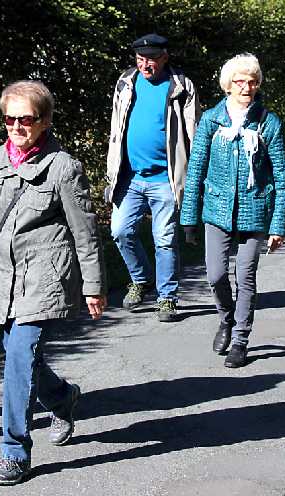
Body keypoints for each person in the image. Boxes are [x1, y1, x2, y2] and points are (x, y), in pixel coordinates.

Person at [0, 81, 106, 485]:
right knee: (20, 355)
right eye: (10, 119)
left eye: (27, 119)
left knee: (19, 358)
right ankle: (61, 396)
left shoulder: (63, 167)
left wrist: (93, 285)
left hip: (45, 278)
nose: (17, 127)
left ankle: (14, 452)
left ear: (45, 121)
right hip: (4, 278)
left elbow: (85, 232)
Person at [180, 53, 285, 369]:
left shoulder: (269, 123)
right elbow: (196, 169)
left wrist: (278, 225)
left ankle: (241, 339)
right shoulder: (211, 120)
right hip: (216, 211)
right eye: (240, 81)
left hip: (255, 212)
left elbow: (282, 177)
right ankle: (226, 318)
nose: (246, 87)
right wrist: (189, 217)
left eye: (252, 82)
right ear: (228, 85)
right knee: (215, 275)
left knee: (246, 275)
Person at [105, 34, 199, 322]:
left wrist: (195, 177)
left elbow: (193, 131)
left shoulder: (181, 86)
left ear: (165, 57)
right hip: (129, 177)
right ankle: (141, 279)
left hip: (165, 179)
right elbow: (116, 128)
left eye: (151, 59)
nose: (145, 65)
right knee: (120, 231)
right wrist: (112, 170)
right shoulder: (126, 82)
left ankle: (167, 297)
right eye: (140, 59)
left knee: (165, 239)